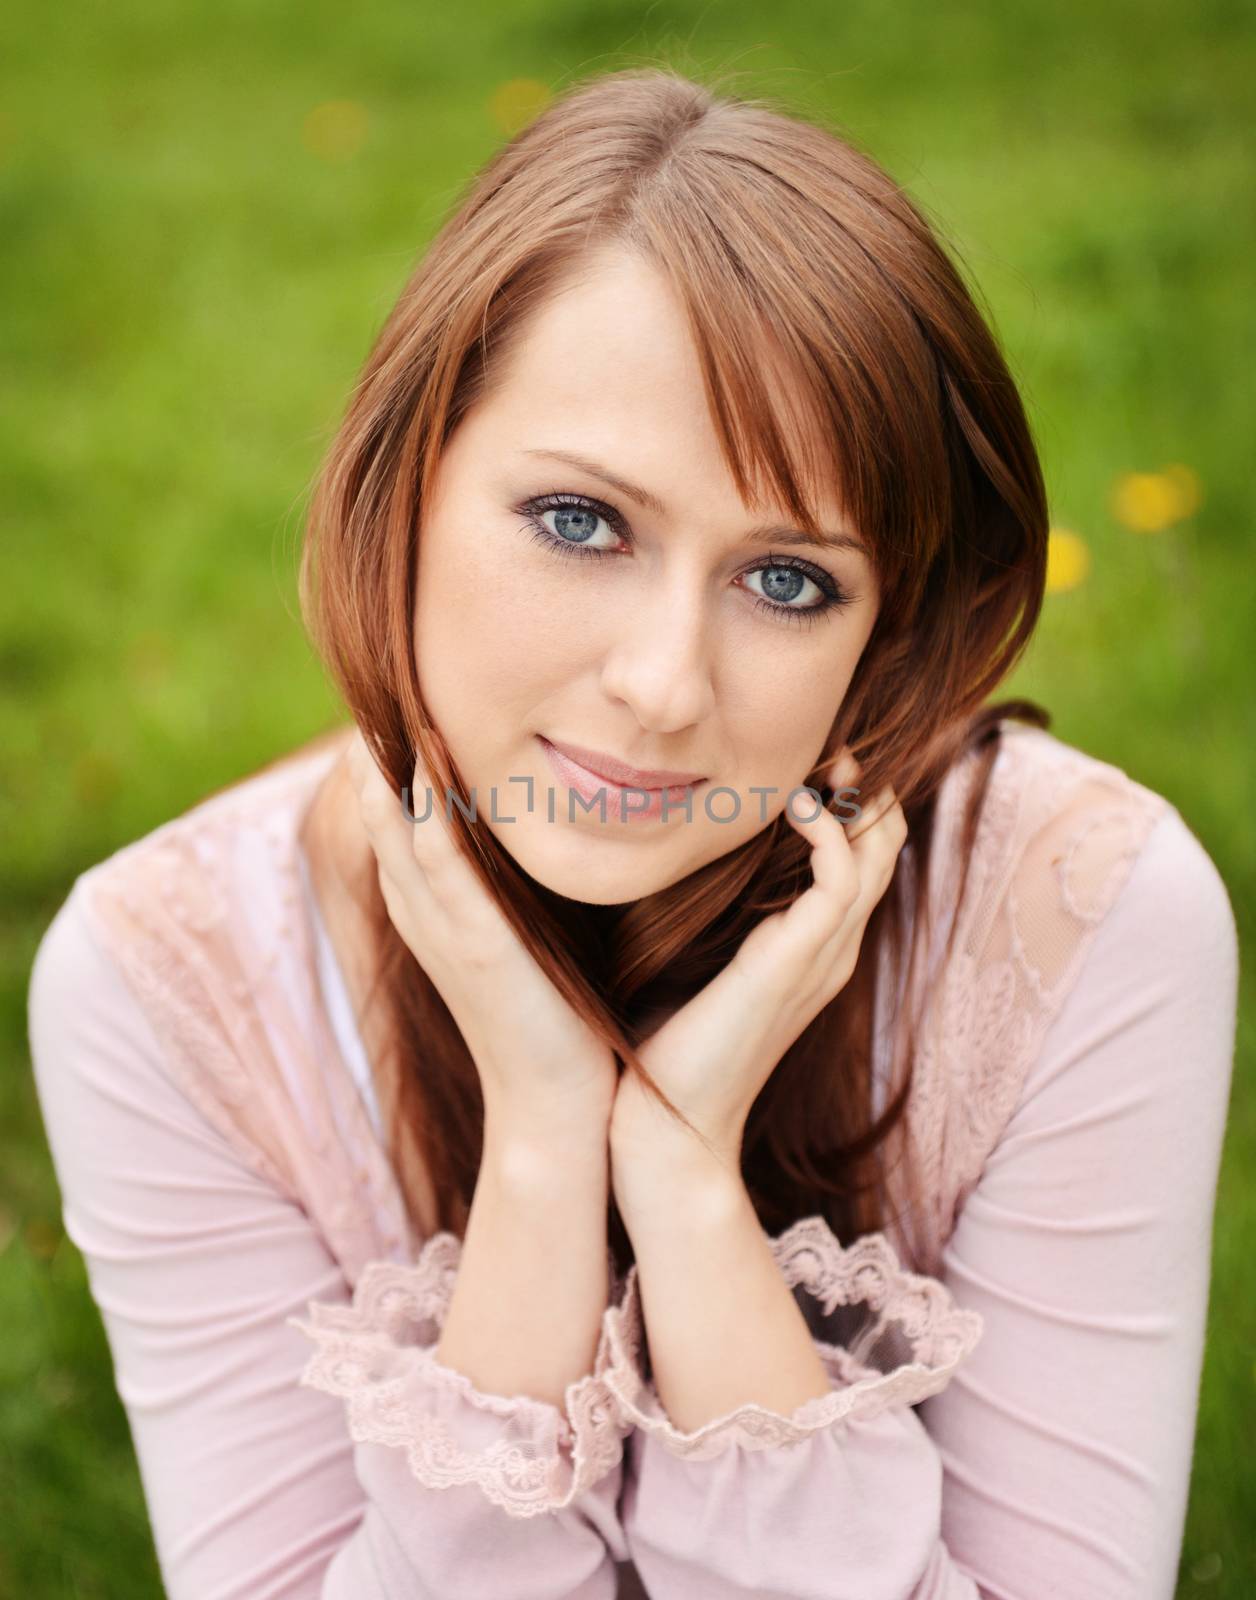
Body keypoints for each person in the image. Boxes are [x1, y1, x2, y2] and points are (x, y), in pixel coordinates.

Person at [27, 65, 1238, 1600]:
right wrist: (541, 1154)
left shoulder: (1079, 915)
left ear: (888, 629)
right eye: (582, 522)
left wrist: (682, 1183)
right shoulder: (167, 984)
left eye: (787, 580)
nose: (664, 685)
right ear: (406, 482)